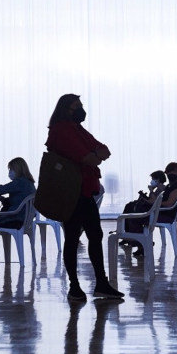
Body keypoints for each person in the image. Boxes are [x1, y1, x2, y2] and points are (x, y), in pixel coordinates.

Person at [46, 94, 125, 301]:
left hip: (85, 191)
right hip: (72, 192)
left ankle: (100, 283)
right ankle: (75, 286)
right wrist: (94, 156)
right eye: (76, 106)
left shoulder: (77, 129)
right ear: (66, 109)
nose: (81, 110)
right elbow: (89, 157)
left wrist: (95, 156)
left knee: (94, 235)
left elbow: (104, 151)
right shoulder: (62, 130)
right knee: (73, 238)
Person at [130, 164, 177, 257]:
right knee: (135, 209)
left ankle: (141, 244)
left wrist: (155, 204)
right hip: (161, 212)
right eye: (170, 172)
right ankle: (141, 244)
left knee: (137, 216)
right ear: (167, 173)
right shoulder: (169, 186)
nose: (172, 174)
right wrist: (152, 201)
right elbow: (158, 200)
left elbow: (169, 203)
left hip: (166, 215)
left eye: (174, 172)